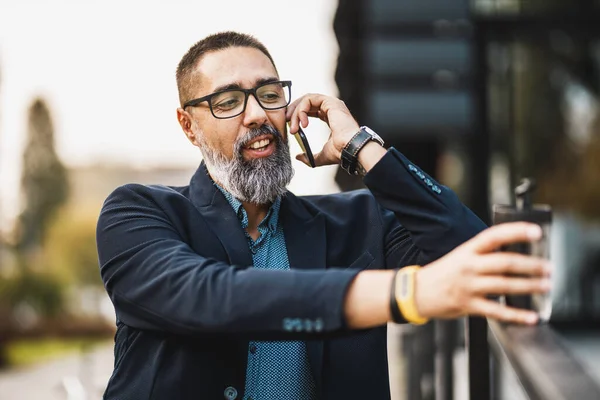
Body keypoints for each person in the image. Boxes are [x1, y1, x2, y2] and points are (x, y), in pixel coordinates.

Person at [96, 31, 551, 400]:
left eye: (269, 94)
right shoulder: (139, 213)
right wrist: (406, 294)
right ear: (188, 125)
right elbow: (208, 296)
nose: (257, 114)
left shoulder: (357, 222)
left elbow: (482, 255)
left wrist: (362, 148)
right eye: (229, 101)